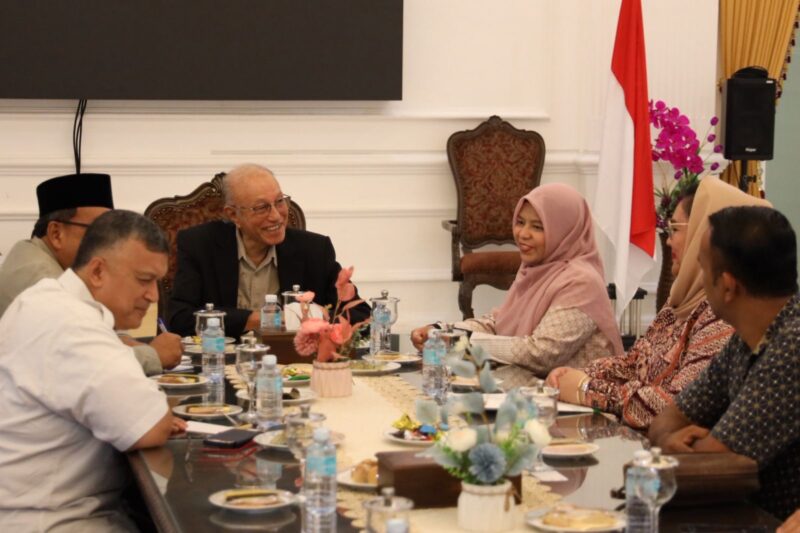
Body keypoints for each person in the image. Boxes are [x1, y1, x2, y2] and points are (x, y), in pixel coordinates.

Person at [0, 210, 187, 531]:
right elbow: (151, 428)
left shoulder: (44, 298)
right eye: (144, 280)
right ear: (98, 271)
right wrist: (154, 412)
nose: (153, 296)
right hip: (52, 518)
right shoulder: (74, 325)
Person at [547, 178, 769, 429]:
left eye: (675, 229)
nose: (668, 240)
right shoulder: (681, 299)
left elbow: (678, 405)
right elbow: (635, 363)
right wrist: (580, 374)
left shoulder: (725, 315)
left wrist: (586, 389)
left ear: (703, 234)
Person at [649, 205, 799, 521]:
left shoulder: (792, 345)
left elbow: (714, 461)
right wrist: (668, 440)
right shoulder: (746, 337)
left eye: (704, 270)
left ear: (728, 286)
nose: (701, 281)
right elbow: (666, 421)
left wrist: (681, 446)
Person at [411, 183, 622, 377]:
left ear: (565, 231)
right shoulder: (537, 269)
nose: (523, 234)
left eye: (537, 227)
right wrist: (441, 330)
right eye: (520, 222)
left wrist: (460, 341)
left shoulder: (581, 281)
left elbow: (541, 353)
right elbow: (498, 324)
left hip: (578, 402)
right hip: (531, 389)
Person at [0, 173, 182, 374]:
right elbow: (89, 361)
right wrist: (154, 355)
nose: (107, 240)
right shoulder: (41, 277)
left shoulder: (42, 256)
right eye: (97, 229)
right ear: (56, 234)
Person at [168, 163, 371, 338]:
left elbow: (361, 315)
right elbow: (179, 318)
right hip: (219, 359)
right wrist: (259, 319)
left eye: (279, 201)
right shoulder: (200, 245)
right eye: (261, 207)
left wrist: (319, 319)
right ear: (234, 215)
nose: (276, 216)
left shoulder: (314, 250)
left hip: (291, 362)